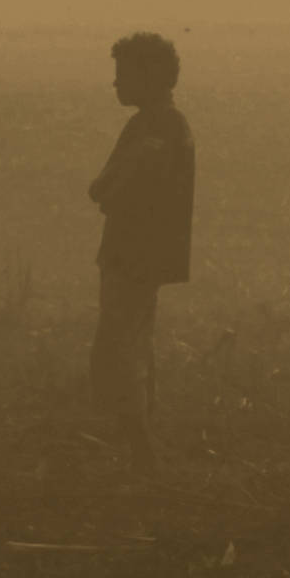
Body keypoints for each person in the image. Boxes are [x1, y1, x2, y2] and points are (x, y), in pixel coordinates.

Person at [86, 31, 196, 473]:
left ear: (149, 76)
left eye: (123, 75)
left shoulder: (157, 126)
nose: (116, 85)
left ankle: (142, 449)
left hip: (132, 252)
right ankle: (143, 443)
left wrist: (104, 191)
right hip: (140, 253)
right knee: (133, 342)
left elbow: (113, 189)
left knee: (118, 346)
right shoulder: (161, 123)